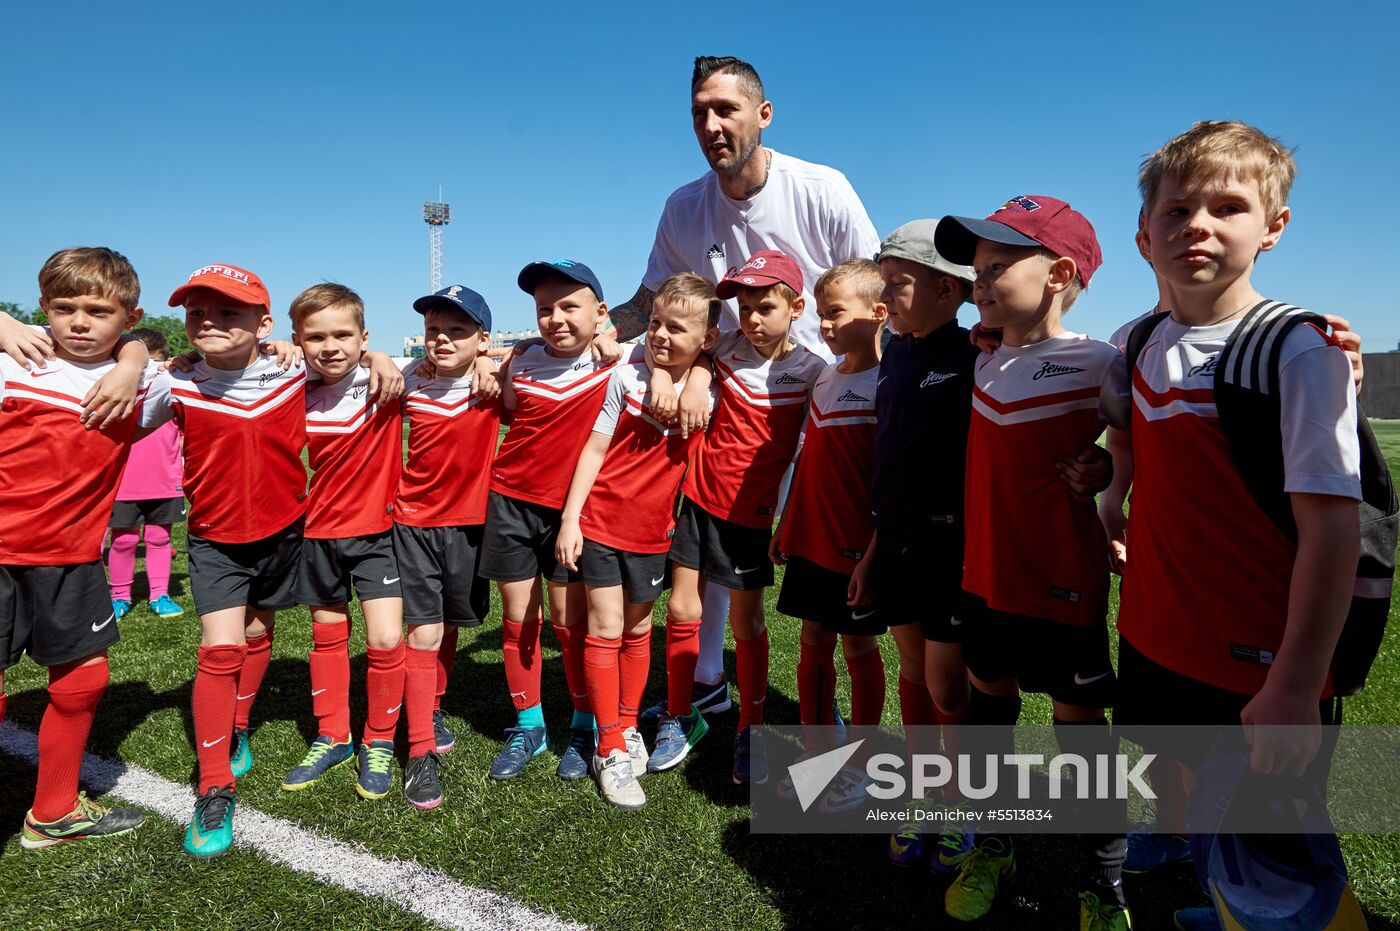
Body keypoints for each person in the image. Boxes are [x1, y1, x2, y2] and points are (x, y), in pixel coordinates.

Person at [1111, 121, 1361, 931]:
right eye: (1179, 209)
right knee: (1195, 802)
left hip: (1261, 666)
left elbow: (1331, 533)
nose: (1200, 226)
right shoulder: (1141, 341)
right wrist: (1104, 487)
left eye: (1228, 206)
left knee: (1281, 877)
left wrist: (1293, 683)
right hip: (1156, 637)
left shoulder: (1297, 348)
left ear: (1274, 226)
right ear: (1145, 231)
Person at [617, 56, 881, 726]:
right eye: (699, 111)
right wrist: (584, 328)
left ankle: (842, 725)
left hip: (819, 396)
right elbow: (652, 298)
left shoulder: (821, 188)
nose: (711, 124)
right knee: (716, 533)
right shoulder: (684, 207)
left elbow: (876, 283)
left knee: (828, 562)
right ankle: (709, 681)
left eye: (726, 109)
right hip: (731, 386)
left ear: (764, 114)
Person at [148, 263, 400, 857]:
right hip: (214, 541)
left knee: (259, 632)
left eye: (227, 312)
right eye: (197, 313)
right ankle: (215, 785)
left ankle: (240, 730)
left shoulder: (291, 374)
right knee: (219, 649)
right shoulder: (173, 382)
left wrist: (381, 356)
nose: (209, 322)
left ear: (262, 326)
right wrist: (139, 357)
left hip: (287, 533)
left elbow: (343, 347)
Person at [934, 197, 1130, 929]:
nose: (980, 281)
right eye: (977, 268)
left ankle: (1102, 880)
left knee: (1082, 731)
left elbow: (1134, 440)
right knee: (993, 709)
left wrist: (1107, 479)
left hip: (1064, 579)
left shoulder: (1101, 361)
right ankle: (996, 842)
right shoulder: (980, 356)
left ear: (1061, 274)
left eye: (999, 266)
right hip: (986, 576)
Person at [0, 246, 157, 848]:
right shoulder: (15, 357)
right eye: (64, 308)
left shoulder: (146, 383)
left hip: (69, 557)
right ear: (43, 307)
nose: (79, 322)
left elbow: (227, 365)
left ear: (128, 316)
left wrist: (134, 358)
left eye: (98, 310)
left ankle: (54, 810)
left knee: (85, 678)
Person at [554, 272, 719, 809]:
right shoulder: (625, 379)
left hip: (653, 534)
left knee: (638, 629)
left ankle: (626, 725)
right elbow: (595, 452)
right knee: (603, 628)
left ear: (706, 340)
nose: (661, 336)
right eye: (654, 324)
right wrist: (571, 520)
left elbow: (720, 366)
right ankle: (607, 746)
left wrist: (692, 375)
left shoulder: (710, 389)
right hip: (600, 524)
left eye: (676, 328)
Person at [660, 250, 826, 785]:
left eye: (766, 307)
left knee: (746, 622)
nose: (752, 319)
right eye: (745, 307)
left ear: (796, 307)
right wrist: (695, 377)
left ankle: (750, 729)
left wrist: (790, 518)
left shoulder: (812, 372)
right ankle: (680, 714)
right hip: (698, 503)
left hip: (751, 521)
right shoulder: (725, 347)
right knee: (683, 610)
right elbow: (671, 353)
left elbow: (813, 452)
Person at [479, 261, 616, 781]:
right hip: (511, 500)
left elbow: (691, 351)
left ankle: (582, 724)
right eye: (544, 309)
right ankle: (529, 725)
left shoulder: (617, 362)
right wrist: (492, 364)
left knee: (568, 621)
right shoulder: (522, 360)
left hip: (574, 513)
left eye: (568, 306)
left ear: (599, 313)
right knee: (519, 619)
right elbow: (505, 405)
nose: (555, 318)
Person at [279, 284, 408, 802]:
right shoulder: (289, 387)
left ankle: (378, 740)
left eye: (342, 334)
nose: (329, 346)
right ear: (298, 340)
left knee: (382, 640)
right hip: (317, 534)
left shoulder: (389, 378)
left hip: (378, 535)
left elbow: (469, 362)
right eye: (315, 337)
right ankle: (333, 733)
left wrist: (380, 358)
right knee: (326, 637)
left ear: (364, 337)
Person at [769, 258, 887, 811]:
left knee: (858, 645)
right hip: (810, 539)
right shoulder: (824, 377)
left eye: (835, 312)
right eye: (820, 315)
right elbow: (806, 457)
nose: (825, 325)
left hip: (857, 548)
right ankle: (819, 752)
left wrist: (874, 552)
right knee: (812, 640)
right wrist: (787, 521)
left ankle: (862, 762)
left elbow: (891, 482)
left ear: (878, 313)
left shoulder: (889, 384)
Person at [392, 284, 501, 807]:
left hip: (472, 526)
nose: (442, 340)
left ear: (482, 339)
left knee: (451, 622)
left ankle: (431, 704)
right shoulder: (408, 379)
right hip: (412, 523)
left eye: (457, 331)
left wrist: (499, 358)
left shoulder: (497, 382)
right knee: (424, 630)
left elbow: (542, 355)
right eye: (434, 330)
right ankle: (418, 753)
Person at [108, 327, 185, 620]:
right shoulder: (115, 390)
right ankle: (120, 596)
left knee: (159, 539)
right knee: (123, 540)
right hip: (124, 483)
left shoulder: (172, 391)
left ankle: (159, 595)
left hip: (165, 483)